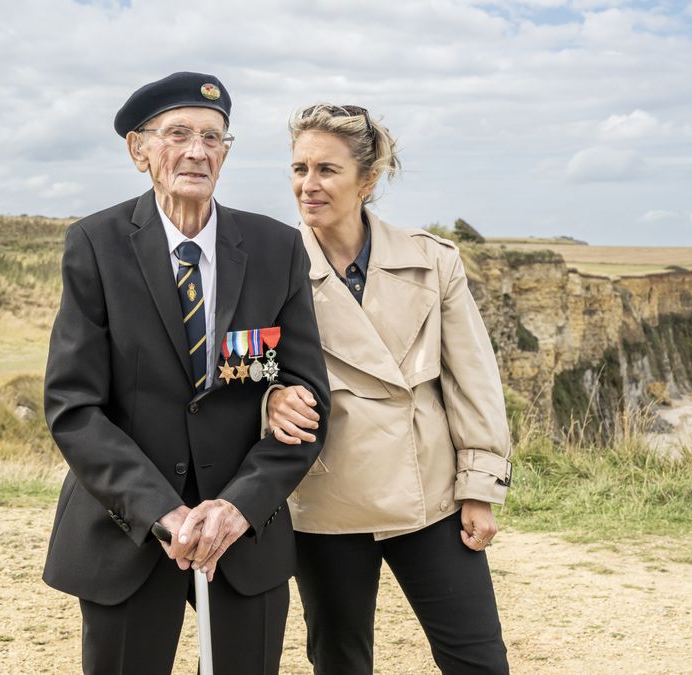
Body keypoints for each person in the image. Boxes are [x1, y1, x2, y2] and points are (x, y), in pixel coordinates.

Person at [41, 72, 330, 675]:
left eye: (213, 137)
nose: (197, 151)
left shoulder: (278, 248)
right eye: (178, 134)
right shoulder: (95, 244)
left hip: (245, 536)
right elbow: (74, 406)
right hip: (129, 533)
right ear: (139, 149)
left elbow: (308, 403)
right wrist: (162, 513)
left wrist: (239, 506)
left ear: (227, 151)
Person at [265, 103, 514, 674]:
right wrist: (270, 398)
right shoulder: (267, 265)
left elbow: (472, 380)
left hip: (430, 492)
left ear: (367, 180)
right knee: (340, 660)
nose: (308, 184)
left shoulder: (432, 260)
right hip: (323, 496)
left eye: (326, 170)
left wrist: (480, 487)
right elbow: (243, 369)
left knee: (477, 656)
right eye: (298, 168)